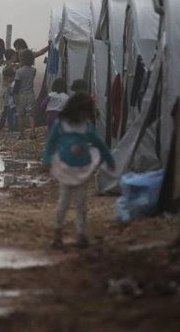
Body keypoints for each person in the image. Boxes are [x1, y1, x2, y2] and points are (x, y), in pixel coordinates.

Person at [41, 94, 115, 249]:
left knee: (81, 203)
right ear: (76, 110)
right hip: (65, 170)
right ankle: (58, 233)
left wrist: (109, 159)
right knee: (63, 202)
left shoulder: (87, 126)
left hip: (82, 169)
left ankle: (81, 234)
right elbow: (51, 143)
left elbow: (99, 143)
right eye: (85, 112)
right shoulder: (61, 125)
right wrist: (46, 159)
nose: (86, 115)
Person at [14, 49, 37, 139]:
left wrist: (15, 96)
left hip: (21, 95)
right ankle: (33, 132)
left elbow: (16, 86)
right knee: (31, 114)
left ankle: (22, 134)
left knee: (21, 115)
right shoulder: (33, 70)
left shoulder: (19, 72)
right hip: (31, 93)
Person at [0, 67, 17, 132]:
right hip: (7, 102)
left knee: (10, 115)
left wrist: (8, 87)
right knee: (6, 113)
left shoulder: (13, 83)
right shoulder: (7, 83)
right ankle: (3, 125)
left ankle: (12, 127)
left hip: (12, 102)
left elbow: (13, 92)